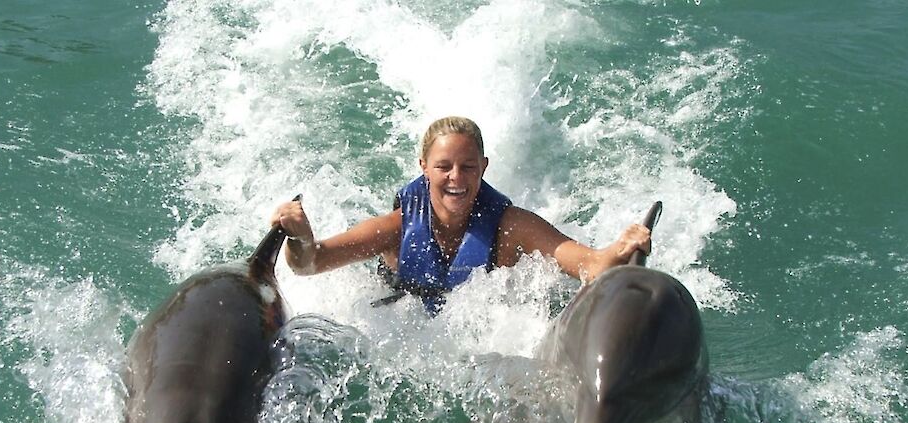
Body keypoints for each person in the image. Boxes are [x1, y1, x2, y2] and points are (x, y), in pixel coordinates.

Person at [269, 116, 651, 313]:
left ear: (484, 167)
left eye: (468, 166)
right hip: (401, 311)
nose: (456, 178)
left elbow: (588, 264)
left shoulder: (512, 226)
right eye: (443, 166)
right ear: (424, 167)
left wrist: (619, 249)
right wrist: (300, 237)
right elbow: (310, 264)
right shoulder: (397, 228)